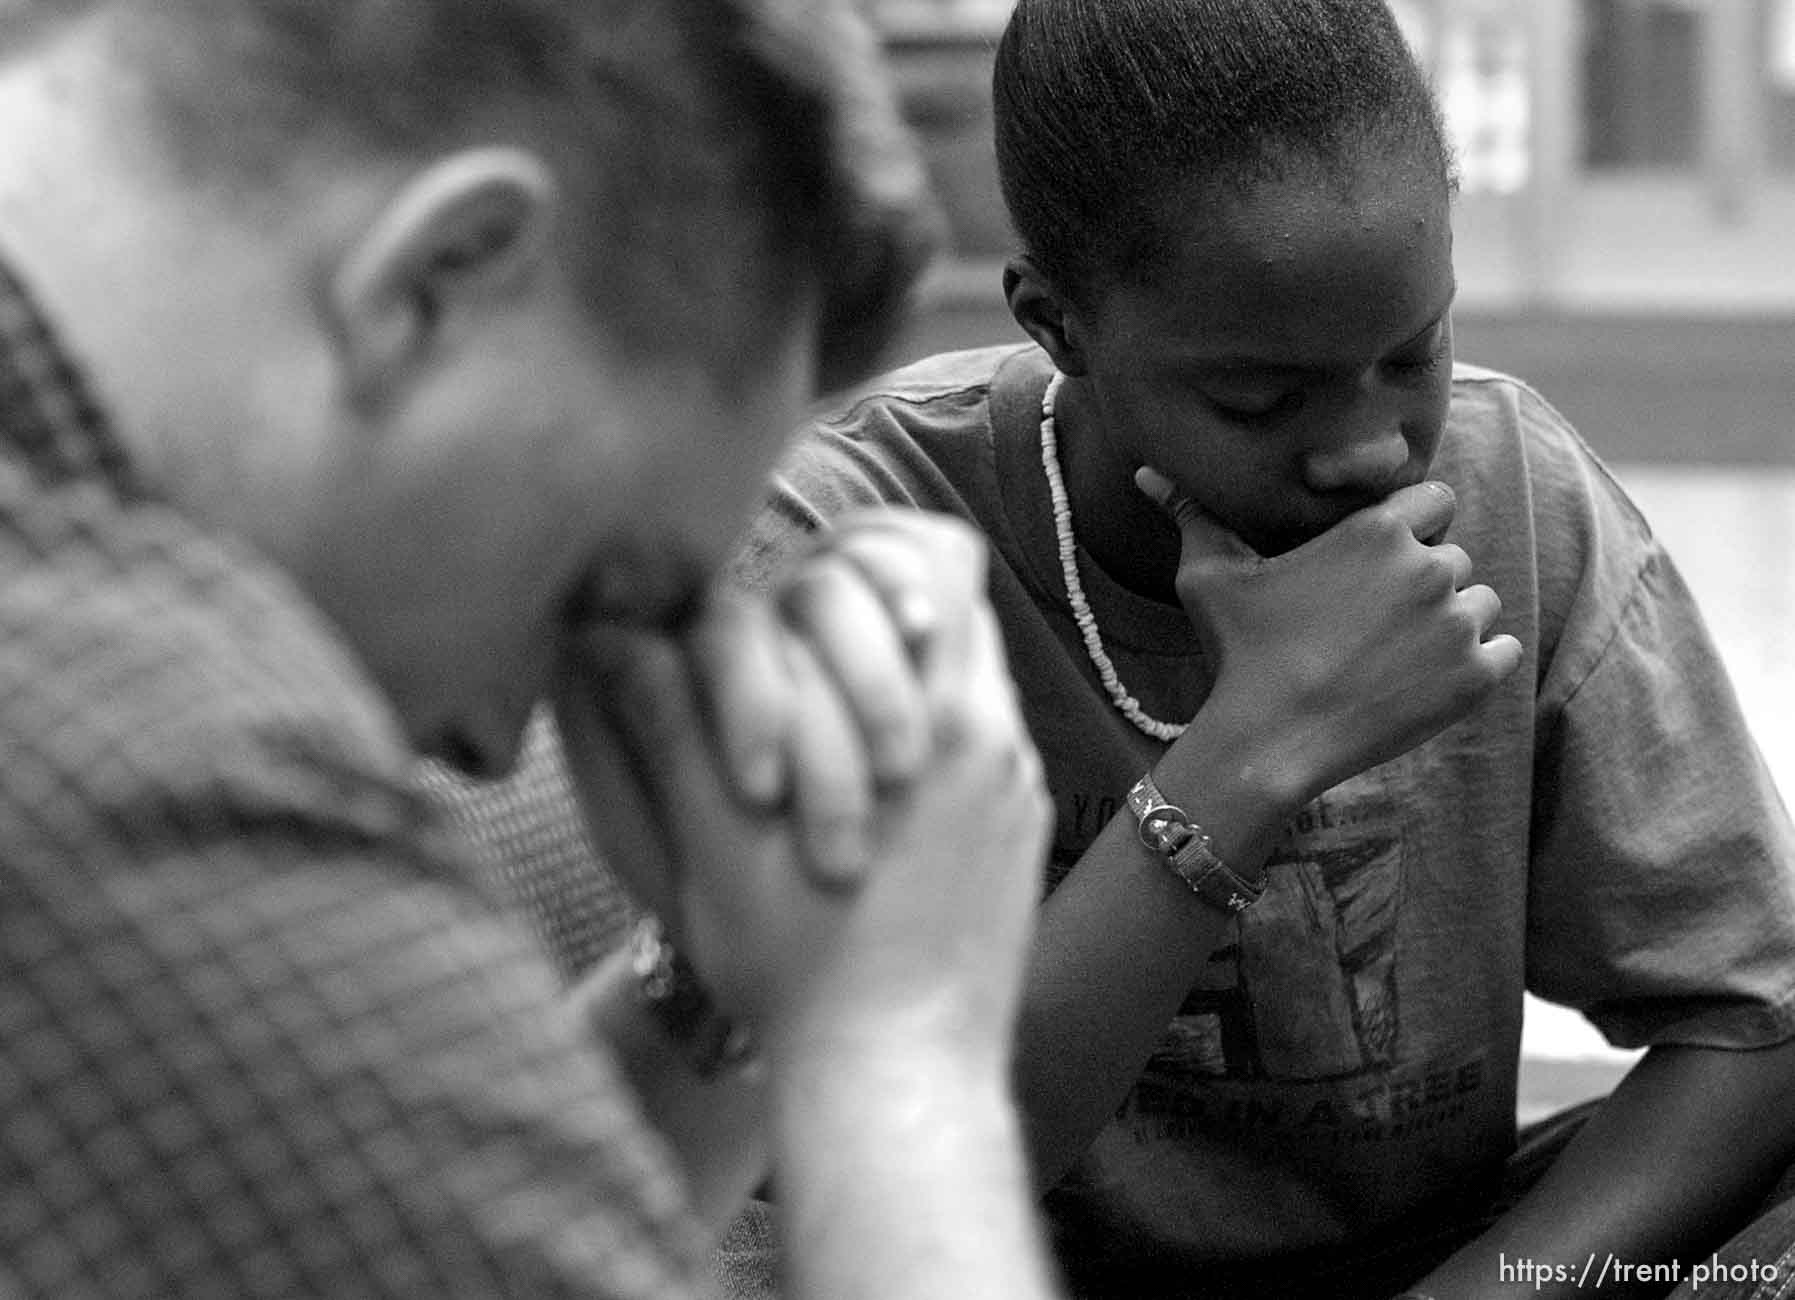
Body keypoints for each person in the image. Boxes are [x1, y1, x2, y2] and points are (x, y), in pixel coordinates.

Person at [723, 2, 1795, 1297]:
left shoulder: (1510, 493)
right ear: (1055, 325)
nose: (1371, 450)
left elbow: (1754, 1022)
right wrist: (1254, 752)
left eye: (1415, 355)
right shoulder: (856, 542)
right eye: (1257, 398)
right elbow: (870, 1167)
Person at [0, 2, 1066, 1298]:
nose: (496, 742)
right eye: (591, 588)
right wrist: (893, 1036)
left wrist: (727, 981)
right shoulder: (142, 750)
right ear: (445, 273)